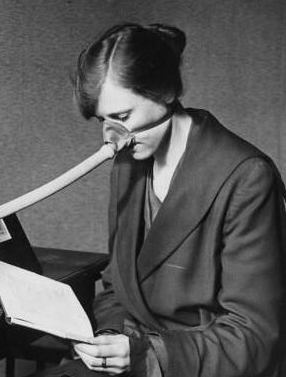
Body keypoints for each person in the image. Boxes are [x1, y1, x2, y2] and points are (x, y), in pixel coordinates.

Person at [30, 23, 286, 377]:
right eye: (102, 120)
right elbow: (115, 287)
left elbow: (255, 337)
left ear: (165, 91)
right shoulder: (128, 162)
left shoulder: (247, 177)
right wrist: (108, 340)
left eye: (121, 117)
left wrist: (148, 357)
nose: (110, 137)